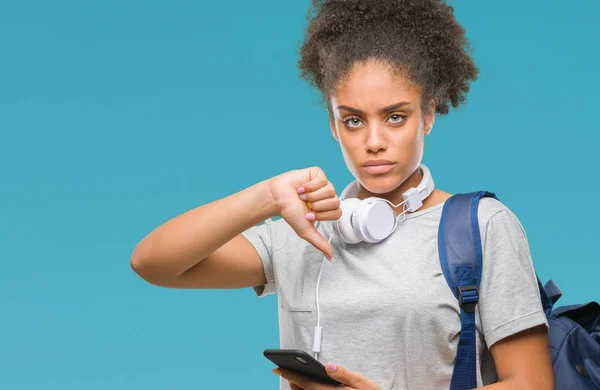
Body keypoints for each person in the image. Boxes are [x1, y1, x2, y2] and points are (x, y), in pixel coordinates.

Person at [130, 0, 554, 389]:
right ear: (332, 125)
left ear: (427, 115)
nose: (374, 141)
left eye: (395, 117)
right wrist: (270, 195)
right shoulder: (302, 232)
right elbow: (153, 263)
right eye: (352, 120)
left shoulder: (481, 226)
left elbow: (534, 384)